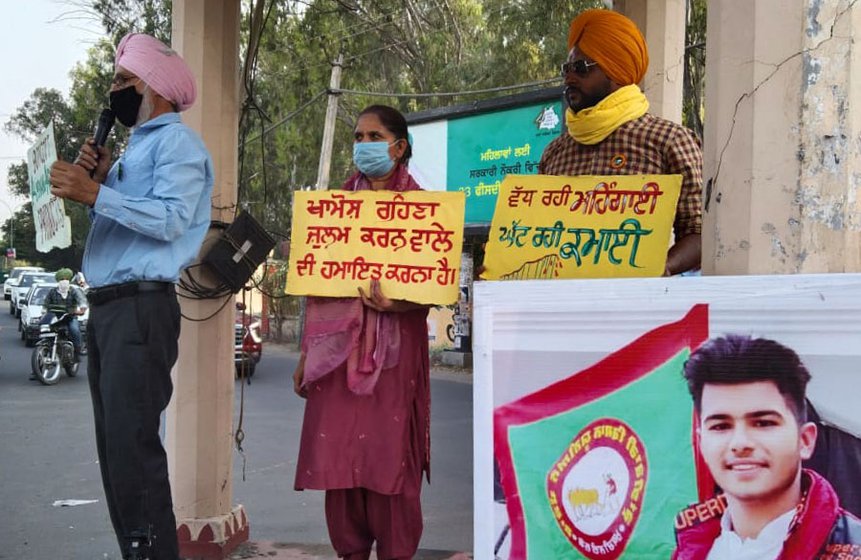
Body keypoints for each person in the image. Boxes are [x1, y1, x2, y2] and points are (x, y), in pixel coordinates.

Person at [49, 32, 213, 560]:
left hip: (141, 309)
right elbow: (124, 227)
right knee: (117, 452)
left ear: (157, 89)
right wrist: (97, 186)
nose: (114, 92)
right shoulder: (132, 151)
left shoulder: (178, 145)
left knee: (134, 452)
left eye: (125, 82)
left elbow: (169, 220)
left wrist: (96, 191)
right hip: (109, 307)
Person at [292, 105, 430, 560]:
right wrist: (304, 356)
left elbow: (434, 288)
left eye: (374, 136)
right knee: (341, 465)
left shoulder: (423, 210)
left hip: (395, 360)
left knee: (391, 463)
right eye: (358, 136)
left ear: (399, 146)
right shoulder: (333, 209)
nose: (363, 145)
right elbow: (316, 288)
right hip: (336, 357)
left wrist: (397, 303)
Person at [539, 9, 702, 275]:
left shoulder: (669, 140)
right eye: (567, 68)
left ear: (616, 72)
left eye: (581, 68)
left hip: (637, 308)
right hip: (565, 308)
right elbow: (539, 231)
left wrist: (660, 268)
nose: (569, 78)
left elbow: (698, 233)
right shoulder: (555, 152)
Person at [673, 335, 861, 559]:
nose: (740, 443)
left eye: (763, 423)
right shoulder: (691, 548)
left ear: (805, 441)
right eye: (721, 426)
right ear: (701, 443)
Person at [41, 267, 87, 361]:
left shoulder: (74, 291)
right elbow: (45, 304)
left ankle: (77, 351)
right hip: (55, 318)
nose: (64, 281)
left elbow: (81, 301)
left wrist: (81, 309)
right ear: (58, 280)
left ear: (69, 280)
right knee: (45, 332)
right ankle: (40, 362)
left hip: (69, 317)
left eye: (66, 279)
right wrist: (43, 312)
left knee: (74, 330)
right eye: (62, 279)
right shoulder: (52, 292)